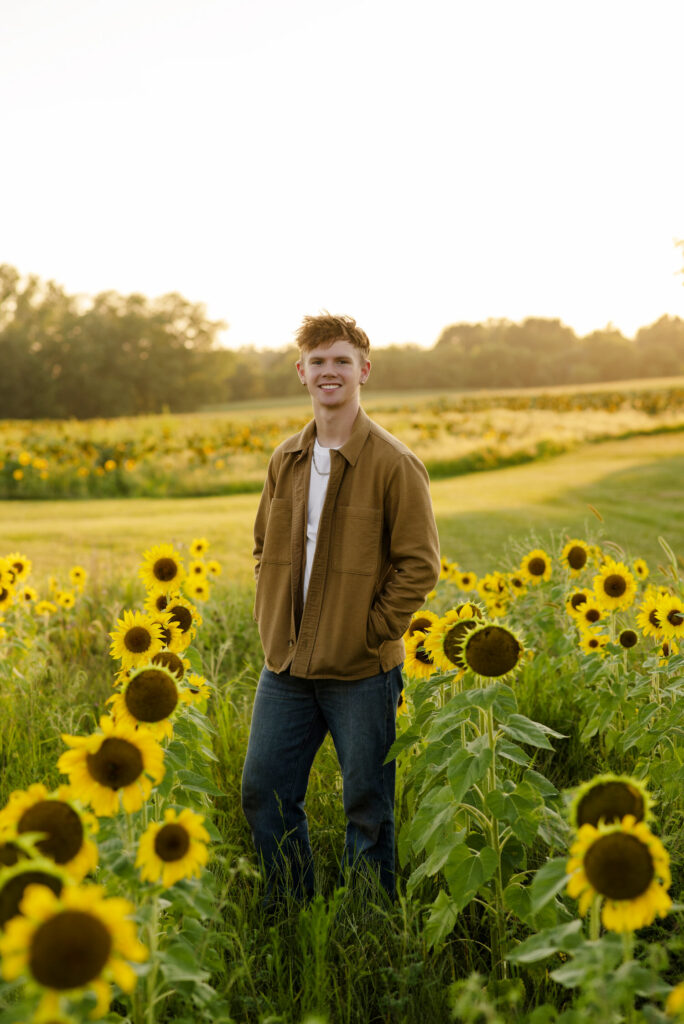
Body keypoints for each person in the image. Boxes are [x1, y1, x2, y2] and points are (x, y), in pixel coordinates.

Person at [241, 313, 441, 904]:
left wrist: (369, 631)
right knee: (264, 792)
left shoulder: (394, 463)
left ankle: (369, 924)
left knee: (367, 808)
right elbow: (262, 548)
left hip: (361, 671)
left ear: (364, 371)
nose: (330, 372)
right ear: (302, 371)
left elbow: (419, 565)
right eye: (319, 361)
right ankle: (290, 907)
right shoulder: (286, 459)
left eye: (342, 361)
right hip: (285, 666)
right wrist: (271, 616)